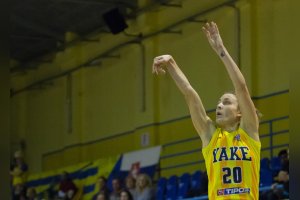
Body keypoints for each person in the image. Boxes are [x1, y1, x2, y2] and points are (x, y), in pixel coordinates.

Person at [152, 21, 261, 199]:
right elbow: (189, 94)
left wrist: (221, 50)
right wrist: (171, 63)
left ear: (240, 112)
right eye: (219, 102)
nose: (219, 105)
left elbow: (241, 87)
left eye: (226, 102)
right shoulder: (210, 135)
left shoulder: (249, 132)